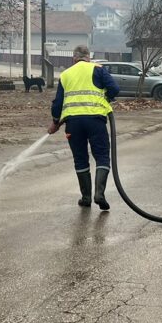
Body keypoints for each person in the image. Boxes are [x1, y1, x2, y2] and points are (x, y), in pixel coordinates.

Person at [47, 45, 120, 209]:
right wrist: (106, 98)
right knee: (101, 156)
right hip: (95, 120)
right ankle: (99, 194)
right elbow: (115, 89)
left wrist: (55, 122)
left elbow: (58, 103)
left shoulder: (66, 74)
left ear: (74, 58)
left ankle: (86, 197)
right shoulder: (99, 69)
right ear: (89, 57)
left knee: (80, 159)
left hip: (73, 123)